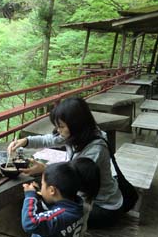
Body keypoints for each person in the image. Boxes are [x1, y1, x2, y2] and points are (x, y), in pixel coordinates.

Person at [7, 97, 123, 228]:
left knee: (46, 211)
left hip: (102, 206)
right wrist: (26, 141)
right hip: (86, 194)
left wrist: (44, 169)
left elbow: (71, 181)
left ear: (76, 124)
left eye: (61, 126)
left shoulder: (95, 149)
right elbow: (50, 139)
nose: (58, 130)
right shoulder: (79, 134)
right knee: (45, 194)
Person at [8, 159, 100, 237]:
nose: (41, 187)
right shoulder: (77, 206)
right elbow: (54, 212)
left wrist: (30, 196)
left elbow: (29, 223)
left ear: (52, 190)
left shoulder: (60, 216)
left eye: (42, 184)